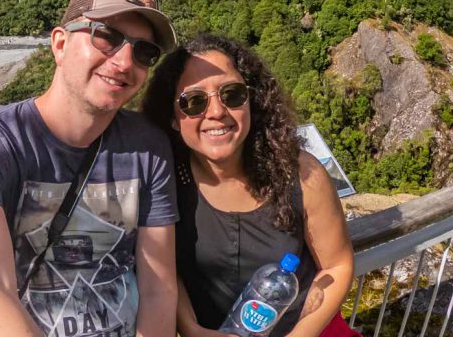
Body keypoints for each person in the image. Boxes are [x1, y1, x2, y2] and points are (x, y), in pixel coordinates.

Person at [0, 0, 179, 337]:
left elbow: (158, 287)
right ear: (59, 44)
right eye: (107, 36)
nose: (123, 62)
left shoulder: (148, 145)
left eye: (144, 52)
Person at [141, 33, 356, 337]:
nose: (216, 112)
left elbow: (337, 267)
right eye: (194, 101)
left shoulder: (299, 173)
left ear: (252, 102)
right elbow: (163, 270)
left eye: (231, 94)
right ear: (174, 117)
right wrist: (191, 328)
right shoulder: (166, 180)